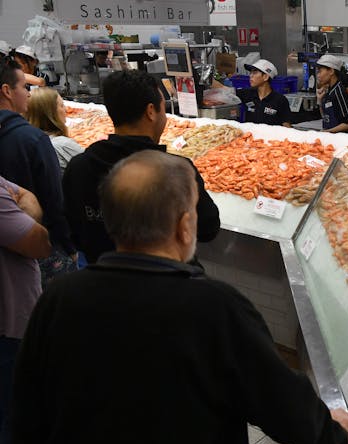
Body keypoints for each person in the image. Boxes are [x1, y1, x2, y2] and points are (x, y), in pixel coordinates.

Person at [11, 150, 348, 444]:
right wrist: (329, 432)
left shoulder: (60, 298)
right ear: (184, 226)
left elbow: (26, 402)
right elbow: (279, 402)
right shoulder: (215, 307)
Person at [63, 70, 220, 263]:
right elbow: (208, 228)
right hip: (168, 285)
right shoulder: (177, 172)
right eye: (163, 108)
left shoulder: (78, 167)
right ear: (151, 111)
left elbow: (73, 232)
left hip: (101, 282)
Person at [0, 57, 75, 283]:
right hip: (38, 250)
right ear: (7, 91)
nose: (29, 93)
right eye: (24, 87)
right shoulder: (33, 140)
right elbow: (54, 201)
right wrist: (69, 246)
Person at [0, 175, 50, 444]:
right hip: (8, 321)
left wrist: (22, 200)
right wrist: (27, 209)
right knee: (16, 410)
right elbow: (40, 242)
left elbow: (23, 192)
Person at [25, 87, 84, 170]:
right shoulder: (63, 144)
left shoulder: (27, 143)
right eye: (61, 105)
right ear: (51, 113)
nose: (66, 109)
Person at [236, 59, 291, 127]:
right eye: (251, 73)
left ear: (265, 77)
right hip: (250, 136)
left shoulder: (280, 100)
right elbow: (227, 91)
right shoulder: (247, 94)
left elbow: (286, 125)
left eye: (255, 73)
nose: (251, 76)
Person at [315, 54, 348, 133]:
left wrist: (328, 132)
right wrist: (320, 100)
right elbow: (325, 117)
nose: (318, 75)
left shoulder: (339, 92)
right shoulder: (328, 90)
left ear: (331, 71)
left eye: (320, 71)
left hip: (339, 138)